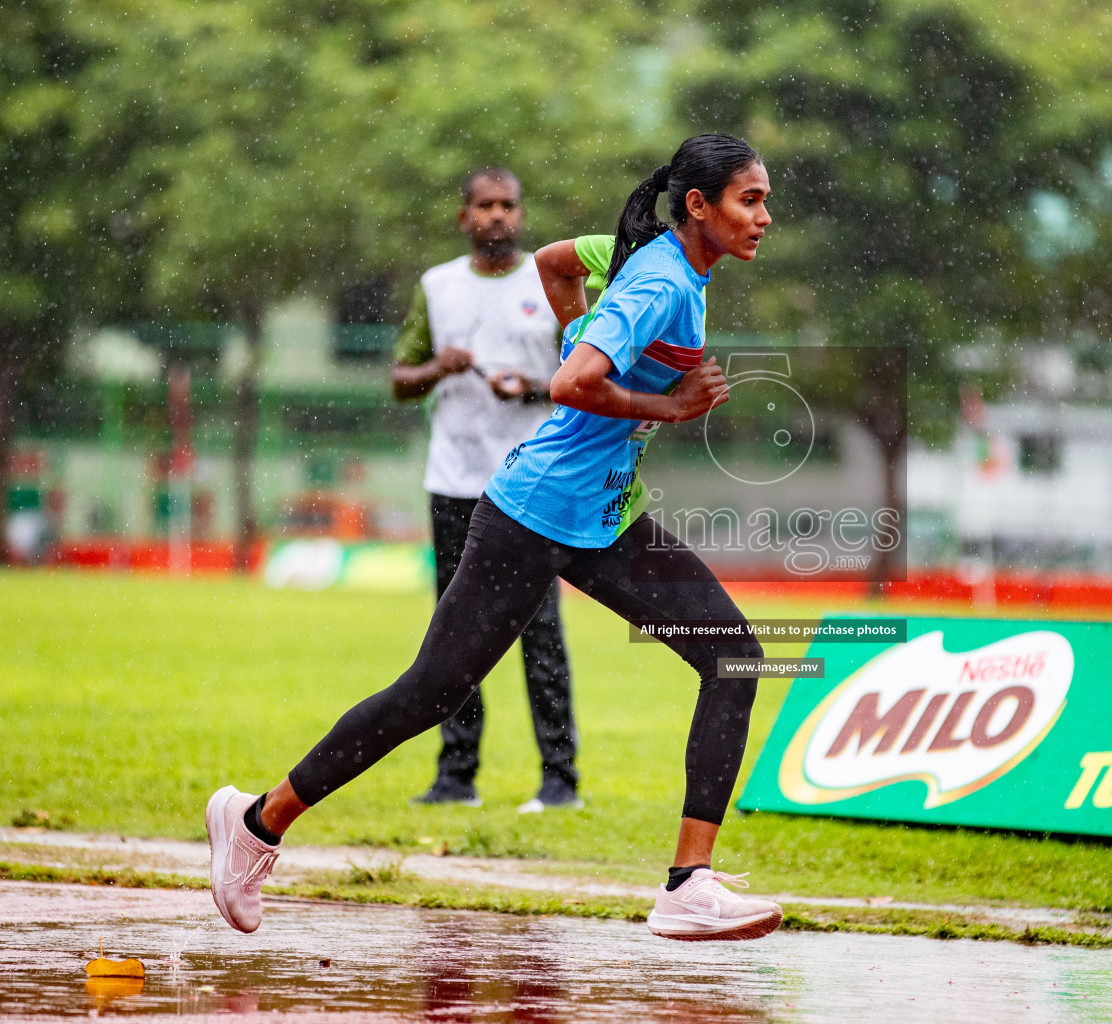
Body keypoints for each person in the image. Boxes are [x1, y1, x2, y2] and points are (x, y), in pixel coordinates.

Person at [205, 133, 782, 942]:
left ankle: (687, 884)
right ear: (699, 205)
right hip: (530, 515)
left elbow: (552, 262)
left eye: (763, 200)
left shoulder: (650, 257)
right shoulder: (657, 282)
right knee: (432, 692)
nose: (764, 217)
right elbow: (570, 381)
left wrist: (595, 335)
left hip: (601, 517)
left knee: (731, 658)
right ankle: (255, 823)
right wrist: (668, 405)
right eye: (749, 200)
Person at [392, 166, 581, 813]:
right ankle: (456, 778)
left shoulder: (551, 281)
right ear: (464, 216)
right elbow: (399, 378)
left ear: (521, 216)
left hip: (531, 483)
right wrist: (435, 366)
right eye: (484, 205)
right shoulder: (437, 286)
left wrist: (530, 387)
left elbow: (582, 376)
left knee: (541, 631)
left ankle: (560, 782)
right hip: (453, 483)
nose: (497, 216)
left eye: (507, 206)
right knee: (455, 633)